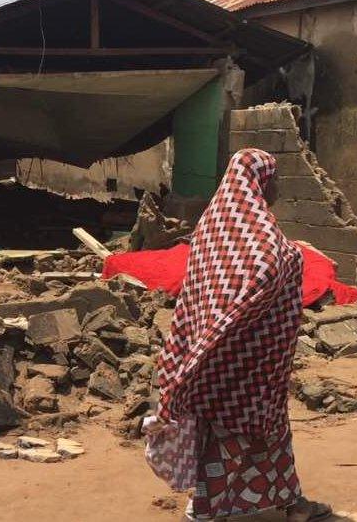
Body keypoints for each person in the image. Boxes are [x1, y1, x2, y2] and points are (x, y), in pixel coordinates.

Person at [143, 149, 332, 522]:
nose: (277, 186)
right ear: (259, 182)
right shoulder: (259, 235)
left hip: (238, 363)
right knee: (231, 441)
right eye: (273, 178)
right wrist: (292, 256)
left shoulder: (215, 227)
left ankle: (292, 502)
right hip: (241, 365)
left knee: (271, 436)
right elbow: (262, 272)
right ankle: (201, 512)